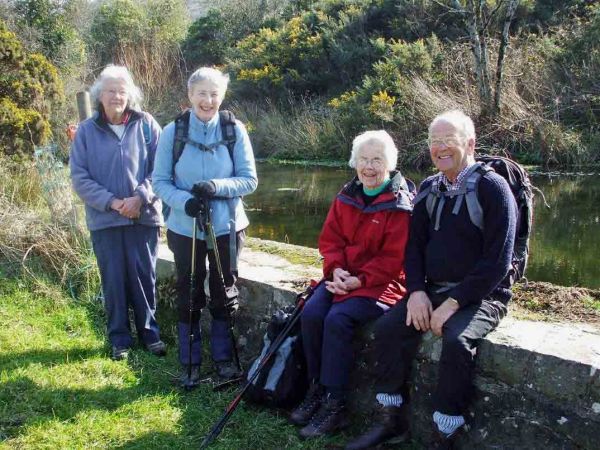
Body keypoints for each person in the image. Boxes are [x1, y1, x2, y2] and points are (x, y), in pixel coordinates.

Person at [345, 110, 518, 450]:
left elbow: (498, 261)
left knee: (456, 342)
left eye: (447, 140)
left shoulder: (493, 188)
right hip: (432, 290)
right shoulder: (429, 188)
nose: (439, 148)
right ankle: (391, 422)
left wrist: (454, 303)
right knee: (389, 328)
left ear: (469, 143)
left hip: (482, 295)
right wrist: (417, 292)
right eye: (434, 141)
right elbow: (414, 247)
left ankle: (444, 436)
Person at [288, 130, 413, 439]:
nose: (369, 167)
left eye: (377, 160)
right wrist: (337, 271)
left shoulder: (400, 203)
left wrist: (360, 279)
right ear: (354, 162)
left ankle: (336, 405)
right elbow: (331, 241)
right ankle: (317, 389)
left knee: (338, 319)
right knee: (313, 313)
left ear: (390, 164)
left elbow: (393, 259)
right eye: (363, 160)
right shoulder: (347, 195)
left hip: (381, 285)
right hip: (342, 277)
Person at [152, 67, 257, 383]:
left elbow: (249, 180)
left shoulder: (234, 130)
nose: (208, 100)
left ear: (221, 97)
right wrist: (185, 202)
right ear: (190, 96)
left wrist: (216, 187)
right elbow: (159, 181)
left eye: (214, 94)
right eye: (202, 93)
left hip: (227, 226)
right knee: (189, 288)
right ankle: (190, 360)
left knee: (225, 290)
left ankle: (224, 361)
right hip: (185, 226)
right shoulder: (174, 131)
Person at [70, 65, 166, 361]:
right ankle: (119, 340)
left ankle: (150, 335)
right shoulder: (86, 131)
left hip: (143, 217)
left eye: (122, 91)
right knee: (112, 280)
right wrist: (113, 202)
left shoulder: (147, 124)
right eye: (110, 90)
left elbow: (161, 169)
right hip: (105, 220)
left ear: (130, 95)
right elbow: (79, 178)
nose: (116, 96)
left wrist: (139, 198)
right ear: (100, 96)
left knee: (144, 276)